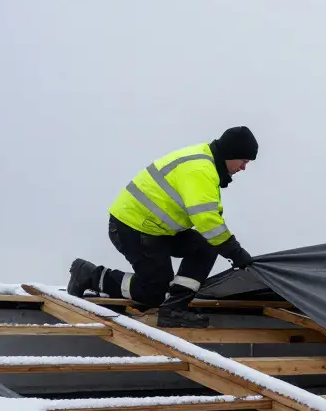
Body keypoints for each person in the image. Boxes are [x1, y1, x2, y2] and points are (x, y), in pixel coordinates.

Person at [66, 126, 258, 328]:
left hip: (156, 229)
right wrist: (235, 253)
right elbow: (207, 220)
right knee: (153, 292)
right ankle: (90, 275)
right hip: (132, 227)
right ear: (230, 154)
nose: (244, 168)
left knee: (206, 246)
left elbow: (209, 218)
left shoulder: (206, 162)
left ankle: (174, 307)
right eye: (244, 161)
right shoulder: (200, 170)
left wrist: (229, 248)